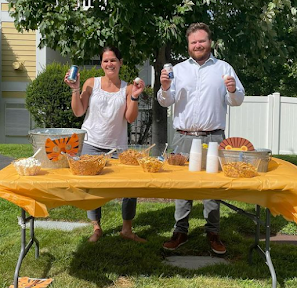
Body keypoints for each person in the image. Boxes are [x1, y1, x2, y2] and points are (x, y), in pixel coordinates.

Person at [157, 22, 245, 254]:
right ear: (188, 45)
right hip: (182, 137)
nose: (198, 45)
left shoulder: (224, 68)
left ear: (210, 42)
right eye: (193, 42)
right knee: (182, 186)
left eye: (202, 41)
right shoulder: (178, 69)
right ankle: (180, 231)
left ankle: (213, 232)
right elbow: (165, 101)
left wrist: (234, 90)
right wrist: (165, 87)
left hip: (213, 137)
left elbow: (236, 101)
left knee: (212, 187)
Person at [64, 46, 146, 243]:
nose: (109, 64)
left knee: (130, 187)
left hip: (117, 147)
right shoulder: (91, 84)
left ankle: (127, 229)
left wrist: (134, 96)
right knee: (93, 188)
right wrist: (75, 89)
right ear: (101, 64)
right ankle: (97, 227)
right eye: (105, 61)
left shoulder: (127, 88)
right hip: (92, 143)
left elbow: (130, 118)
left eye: (113, 60)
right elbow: (78, 112)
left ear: (120, 62)